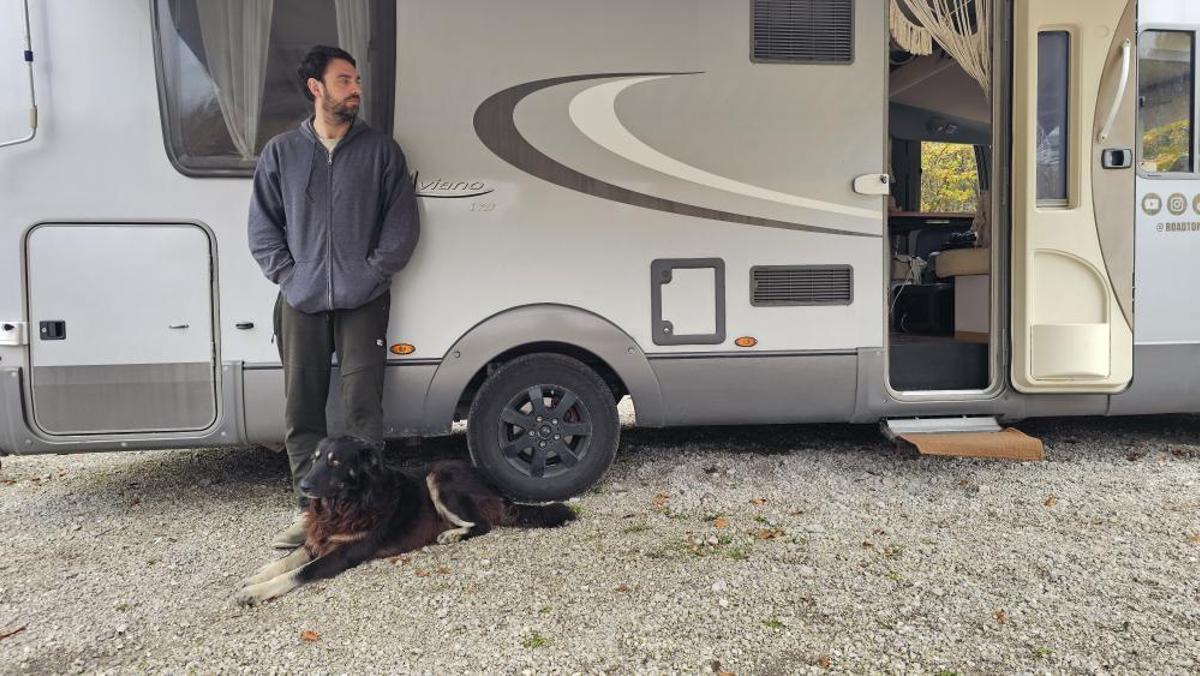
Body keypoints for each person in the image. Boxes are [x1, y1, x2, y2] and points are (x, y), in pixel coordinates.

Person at [248, 45, 419, 549]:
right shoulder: (281, 153)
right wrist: (291, 278)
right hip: (299, 302)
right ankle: (311, 512)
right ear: (315, 88)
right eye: (345, 80)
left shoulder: (381, 151)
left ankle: (368, 507)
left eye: (358, 80)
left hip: (364, 300)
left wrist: (371, 275)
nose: (356, 90)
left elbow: (402, 227)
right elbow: (262, 230)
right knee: (302, 407)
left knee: (363, 406)